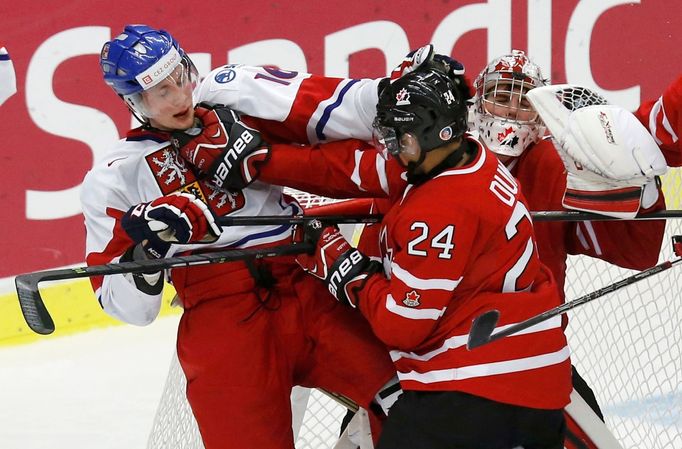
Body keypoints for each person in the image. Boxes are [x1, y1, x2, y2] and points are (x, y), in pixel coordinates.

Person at [85, 24, 401, 449]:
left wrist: (394, 93)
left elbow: (332, 106)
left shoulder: (232, 95)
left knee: (412, 399)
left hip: (306, 281)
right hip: (225, 323)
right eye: (158, 92)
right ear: (132, 102)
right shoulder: (115, 176)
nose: (178, 96)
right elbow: (128, 308)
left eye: (178, 76)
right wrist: (151, 244)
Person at [246, 66, 573, 448]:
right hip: (538, 383)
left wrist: (346, 271)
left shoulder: (438, 210)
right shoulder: (478, 160)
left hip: (475, 392)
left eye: (400, 136)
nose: (391, 146)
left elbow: (401, 325)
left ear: (438, 134)